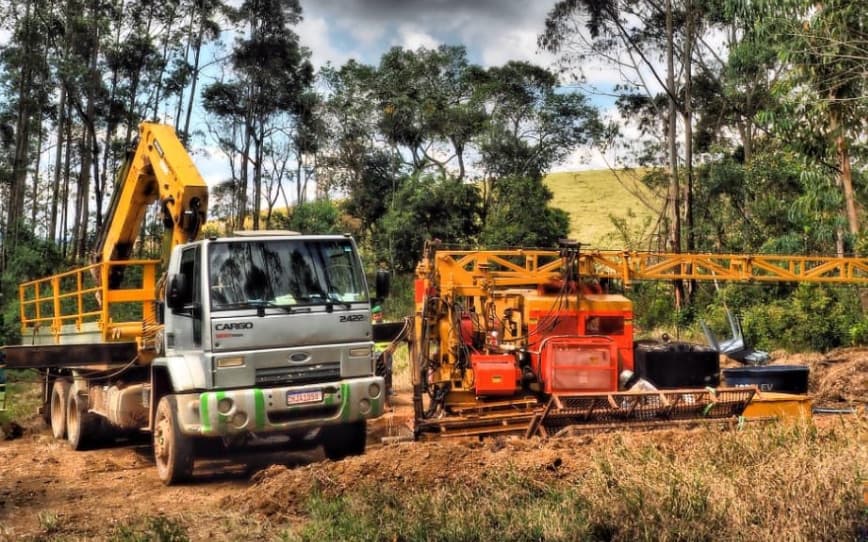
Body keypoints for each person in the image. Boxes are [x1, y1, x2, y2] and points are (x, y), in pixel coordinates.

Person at [372, 305, 396, 406]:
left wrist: (391, 349)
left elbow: (393, 338)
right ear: (373, 316)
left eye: (379, 314)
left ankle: (389, 388)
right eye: (375, 315)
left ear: (382, 314)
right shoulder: (371, 326)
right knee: (377, 372)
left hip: (387, 352)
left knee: (388, 370)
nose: (377, 317)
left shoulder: (387, 324)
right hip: (376, 353)